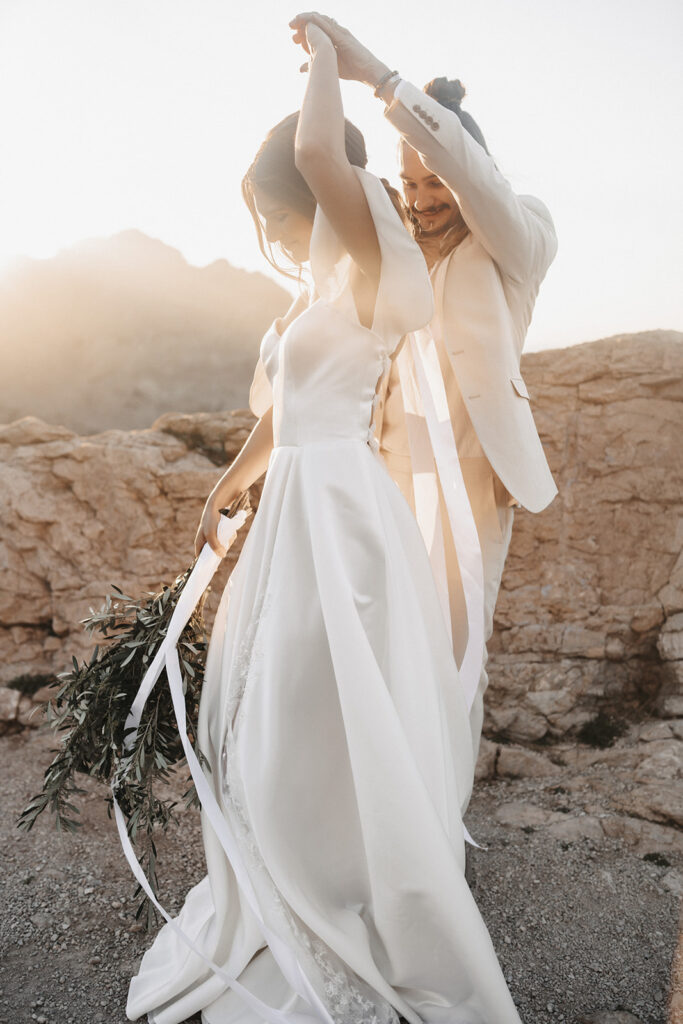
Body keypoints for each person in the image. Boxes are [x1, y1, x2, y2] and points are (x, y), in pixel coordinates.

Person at [126, 19, 524, 1024]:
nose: (276, 229)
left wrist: (327, 62)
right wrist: (234, 476)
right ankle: (281, 872)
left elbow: (316, 149)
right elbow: (292, 406)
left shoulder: (372, 247)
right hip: (301, 499)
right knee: (279, 708)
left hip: (338, 513)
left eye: (277, 213)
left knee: (307, 706)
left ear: (319, 194)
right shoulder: (331, 275)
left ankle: (329, 893)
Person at [289, 13, 559, 768]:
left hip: (475, 478)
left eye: (434, 180)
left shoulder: (520, 240)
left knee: (453, 650)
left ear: (467, 168)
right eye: (408, 183)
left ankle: (444, 821)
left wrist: (375, 76)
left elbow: (478, 183)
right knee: (381, 644)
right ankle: (387, 803)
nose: (421, 197)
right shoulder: (395, 244)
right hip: (381, 473)